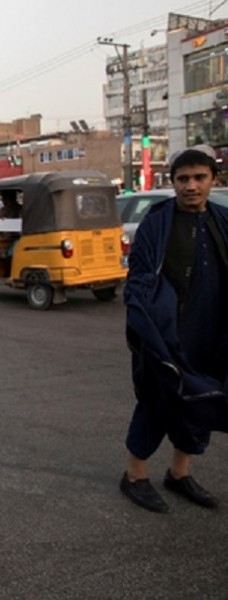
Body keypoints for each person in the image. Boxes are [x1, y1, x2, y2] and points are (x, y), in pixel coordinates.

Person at [120, 145, 228, 513]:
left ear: (214, 180)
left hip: (212, 334)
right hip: (164, 335)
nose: (191, 186)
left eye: (199, 178)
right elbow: (138, 280)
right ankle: (134, 475)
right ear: (173, 183)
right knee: (156, 401)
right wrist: (143, 329)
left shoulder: (222, 220)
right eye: (183, 179)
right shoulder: (157, 222)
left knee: (203, 403)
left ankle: (179, 473)